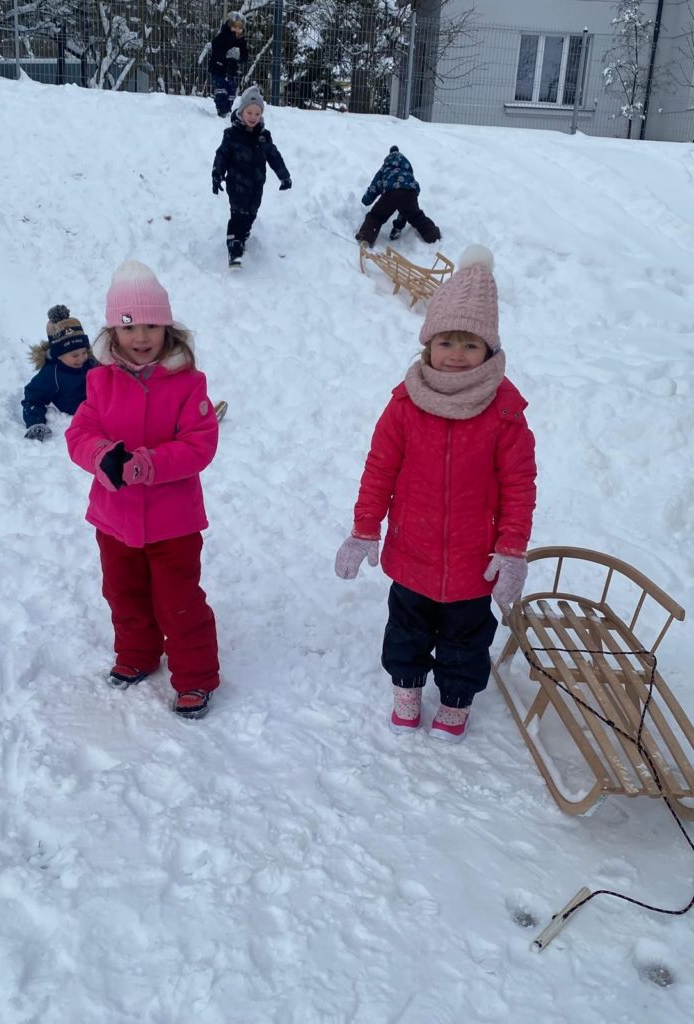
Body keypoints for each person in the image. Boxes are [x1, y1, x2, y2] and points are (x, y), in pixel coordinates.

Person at [334, 246, 536, 741]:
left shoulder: (504, 412)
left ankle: (455, 700)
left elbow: (519, 485)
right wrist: (365, 529)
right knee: (406, 630)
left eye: (470, 344)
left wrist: (511, 548)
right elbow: (380, 469)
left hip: (474, 561)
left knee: (466, 639)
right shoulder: (406, 404)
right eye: (446, 342)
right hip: (413, 552)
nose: (456, 354)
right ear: (428, 345)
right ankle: (406, 689)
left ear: (489, 351)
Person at [65, 261, 220, 720]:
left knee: (178, 602)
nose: (141, 337)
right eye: (129, 326)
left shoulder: (188, 383)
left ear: (166, 327)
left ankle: (195, 677)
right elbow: (79, 434)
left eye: (151, 325)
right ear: (113, 331)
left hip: (174, 523)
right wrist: (101, 456)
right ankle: (137, 654)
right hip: (114, 519)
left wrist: (146, 465)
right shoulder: (100, 381)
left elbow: (199, 445)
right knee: (123, 593)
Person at [212, 84, 292, 268]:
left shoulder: (264, 136)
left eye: (257, 113)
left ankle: (243, 233)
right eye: (249, 112)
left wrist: (284, 176)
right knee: (238, 214)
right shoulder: (231, 135)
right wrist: (217, 173)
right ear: (242, 112)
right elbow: (222, 155)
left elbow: (274, 156)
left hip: (256, 184)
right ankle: (234, 247)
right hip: (236, 183)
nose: (253, 117)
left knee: (251, 213)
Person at [21, 305, 97, 440]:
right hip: (79, 415)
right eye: (75, 355)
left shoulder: (90, 362)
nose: (81, 358)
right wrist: (35, 422)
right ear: (59, 355)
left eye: (84, 352)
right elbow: (33, 398)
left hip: (100, 407)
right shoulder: (51, 373)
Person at [355, 146, 441, 247]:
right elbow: (404, 206)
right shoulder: (406, 169)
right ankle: (433, 236)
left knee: (376, 216)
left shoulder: (385, 168)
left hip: (391, 193)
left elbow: (375, 186)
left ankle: (365, 237)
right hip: (410, 193)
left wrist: (366, 200)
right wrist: (398, 226)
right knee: (416, 216)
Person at [208, 10, 248, 118]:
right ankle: (221, 109)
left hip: (231, 71)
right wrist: (226, 53)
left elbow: (245, 57)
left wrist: (240, 56)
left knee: (231, 91)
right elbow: (215, 48)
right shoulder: (222, 36)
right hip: (218, 68)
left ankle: (227, 108)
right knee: (221, 90)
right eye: (235, 27)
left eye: (240, 28)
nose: (237, 30)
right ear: (229, 26)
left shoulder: (241, 41)